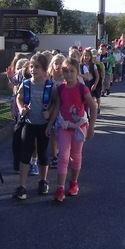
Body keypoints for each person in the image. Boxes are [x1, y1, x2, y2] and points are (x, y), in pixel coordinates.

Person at [46, 57, 96, 201]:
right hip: (64, 126)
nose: (68, 74)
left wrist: (91, 127)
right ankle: (60, 188)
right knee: (63, 156)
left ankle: (74, 183)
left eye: (72, 71)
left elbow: (93, 107)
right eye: (66, 71)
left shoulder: (82, 88)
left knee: (76, 156)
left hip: (79, 127)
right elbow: (57, 107)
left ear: (77, 72)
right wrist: (50, 124)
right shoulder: (60, 88)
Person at [13, 53, 56, 200]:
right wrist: (21, 109)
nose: (33, 69)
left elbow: (55, 102)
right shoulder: (26, 84)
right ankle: (22, 185)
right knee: (25, 153)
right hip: (29, 123)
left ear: (44, 70)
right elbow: (19, 98)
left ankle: (43, 181)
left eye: (37, 67)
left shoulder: (50, 86)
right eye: (31, 66)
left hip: (43, 125)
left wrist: (49, 112)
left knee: (43, 153)